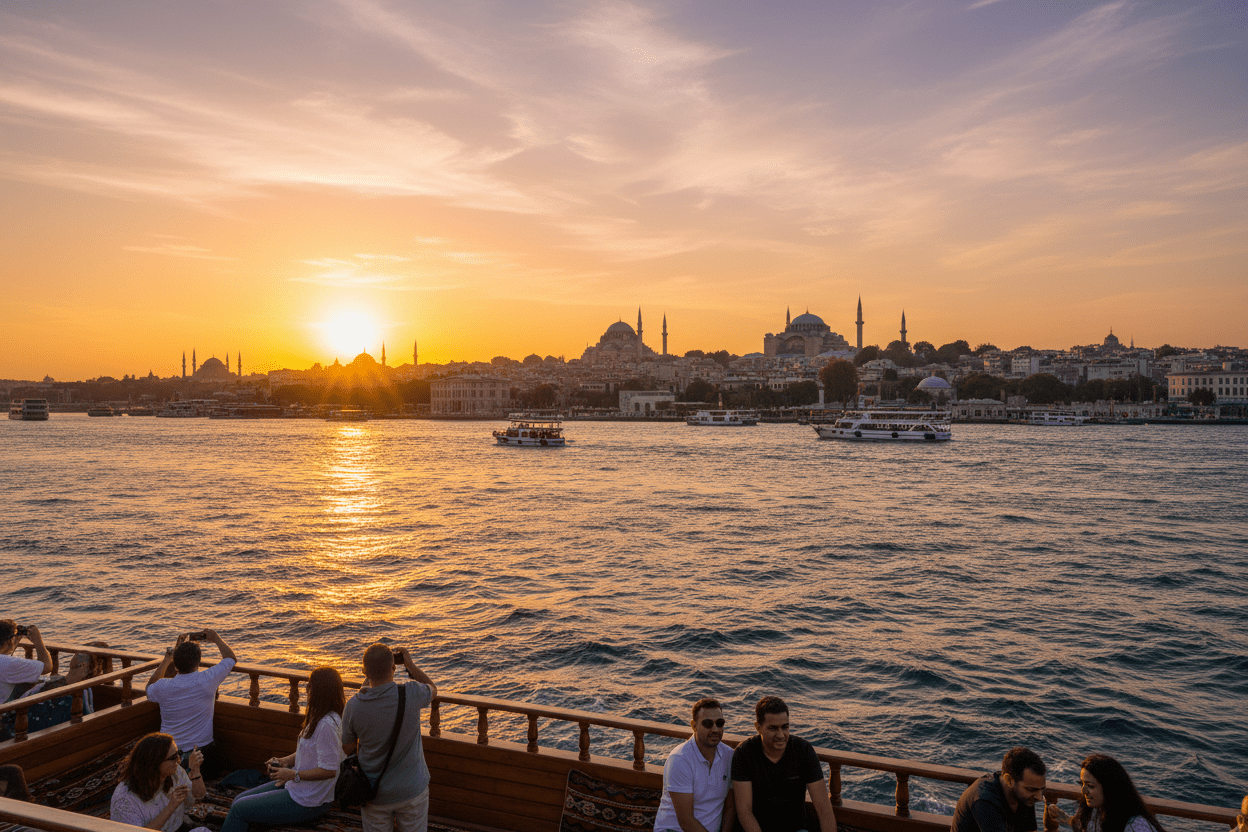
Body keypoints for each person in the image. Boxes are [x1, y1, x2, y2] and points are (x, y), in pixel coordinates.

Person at [219, 667, 346, 832]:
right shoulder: (319, 716)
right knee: (239, 799)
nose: (307, 690)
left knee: (239, 809)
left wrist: (293, 774)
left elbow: (330, 770)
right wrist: (285, 761)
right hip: (298, 788)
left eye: (310, 687)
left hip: (309, 802)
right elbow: (309, 749)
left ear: (318, 691)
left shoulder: (327, 725)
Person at [341, 644, 437, 832]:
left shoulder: (353, 706)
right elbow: (432, 689)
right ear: (394, 668)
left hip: (374, 792)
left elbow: (347, 747)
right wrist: (410, 665)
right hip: (412, 789)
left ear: (364, 671)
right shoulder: (411, 693)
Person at [731, 696, 836, 832]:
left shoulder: (803, 750)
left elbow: (824, 809)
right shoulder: (744, 753)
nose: (781, 735)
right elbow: (745, 812)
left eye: (785, 727)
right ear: (758, 728)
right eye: (773, 728)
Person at [145, 630, 236, 776]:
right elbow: (230, 658)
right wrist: (216, 638)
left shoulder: (163, 686)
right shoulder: (207, 679)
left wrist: (167, 659)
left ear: (175, 664)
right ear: (198, 661)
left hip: (169, 754)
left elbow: (149, 687)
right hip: (201, 754)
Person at [654, 697, 736, 832]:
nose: (715, 729)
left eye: (719, 723)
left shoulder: (729, 756)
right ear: (694, 725)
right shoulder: (680, 759)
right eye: (708, 723)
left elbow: (730, 807)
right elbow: (686, 821)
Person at [110, 732, 207, 832]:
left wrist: (195, 772)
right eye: (173, 757)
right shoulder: (124, 800)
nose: (178, 760)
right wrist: (171, 807)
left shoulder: (175, 772)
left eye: (179, 754)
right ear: (154, 763)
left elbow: (199, 795)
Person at [1046, 755, 1164, 832]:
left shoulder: (1135, 826)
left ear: (1110, 788)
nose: (1083, 791)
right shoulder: (1096, 810)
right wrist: (1067, 820)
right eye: (1082, 784)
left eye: (1090, 786)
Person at [952, 747, 1058, 832]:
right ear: (1009, 780)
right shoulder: (985, 801)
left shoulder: (1024, 794)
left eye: (1041, 790)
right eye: (1032, 789)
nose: (1039, 797)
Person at [0, 622, 52, 703]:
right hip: (4, 711)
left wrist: (14, 641)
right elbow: (47, 667)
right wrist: (38, 641)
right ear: (8, 642)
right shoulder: (7, 663)